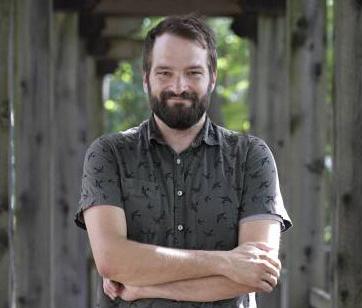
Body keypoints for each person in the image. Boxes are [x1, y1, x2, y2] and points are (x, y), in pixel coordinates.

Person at [74, 14, 292, 308]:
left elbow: (256, 274)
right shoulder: (109, 154)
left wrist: (141, 286)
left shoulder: (251, 156)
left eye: (193, 73)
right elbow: (112, 261)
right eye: (165, 73)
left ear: (212, 78)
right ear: (145, 79)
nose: (179, 86)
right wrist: (227, 262)